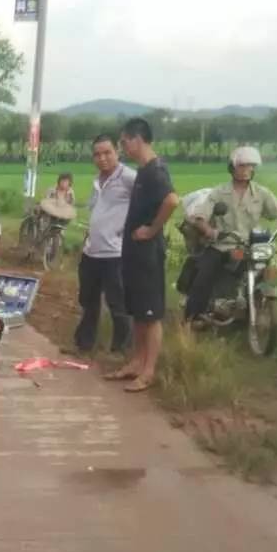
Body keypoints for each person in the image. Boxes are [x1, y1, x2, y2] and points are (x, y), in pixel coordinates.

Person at [183, 146, 277, 321]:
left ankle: (255, 305)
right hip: (223, 244)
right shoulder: (219, 192)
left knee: (268, 271)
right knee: (204, 276)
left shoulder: (262, 193)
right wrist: (209, 231)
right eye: (242, 165)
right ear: (232, 167)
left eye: (251, 166)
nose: (247, 170)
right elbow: (200, 217)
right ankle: (192, 319)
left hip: (251, 246)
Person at [107, 117, 179, 393]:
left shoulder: (155, 171)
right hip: (134, 253)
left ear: (137, 139)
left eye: (124, 142)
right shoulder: (144, 170)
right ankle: (136, 363)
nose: (123, 147)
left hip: (148, 254)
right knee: (138, 311)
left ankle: (148, 372)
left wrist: (151, 230)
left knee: (150, 315)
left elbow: (172, 200)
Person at [70, 134, 134, 356]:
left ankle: (121, 349)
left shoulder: (129, 177)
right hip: (92, 251)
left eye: (107, 153)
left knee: (118, 303)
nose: (102, 158)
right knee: (88, 300)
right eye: (97, 154)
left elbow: (149, 204)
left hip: (115, 253)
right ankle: (84, 343)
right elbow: (96, 212)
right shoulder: (97, 181)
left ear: (118, 152)